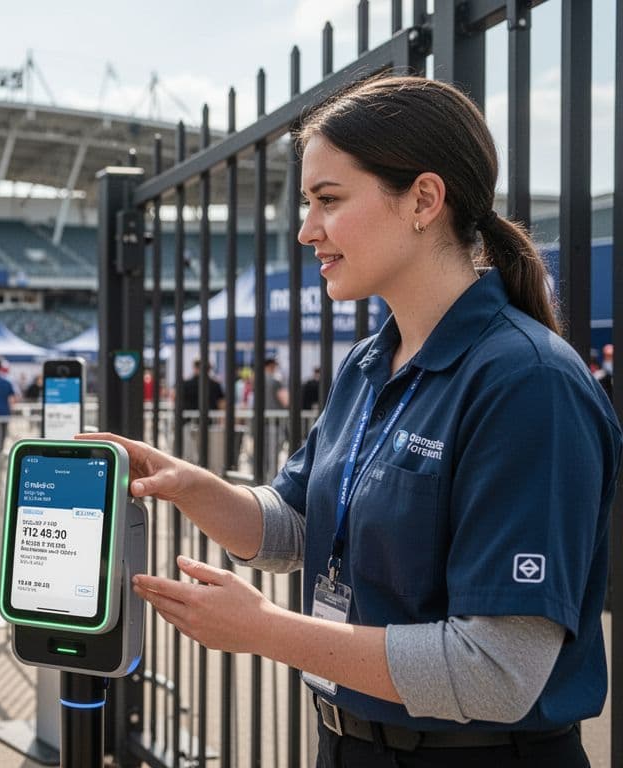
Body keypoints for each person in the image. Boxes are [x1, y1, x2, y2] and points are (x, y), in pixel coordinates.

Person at [86, 76, 619, 767]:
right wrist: (189, 484)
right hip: (345, 744)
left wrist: (267, 630)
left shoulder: (526, 382)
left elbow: (497, 671)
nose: (307, 230)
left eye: (328, 200)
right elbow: (299, 530)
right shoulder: (373, 360)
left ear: (424, 199)